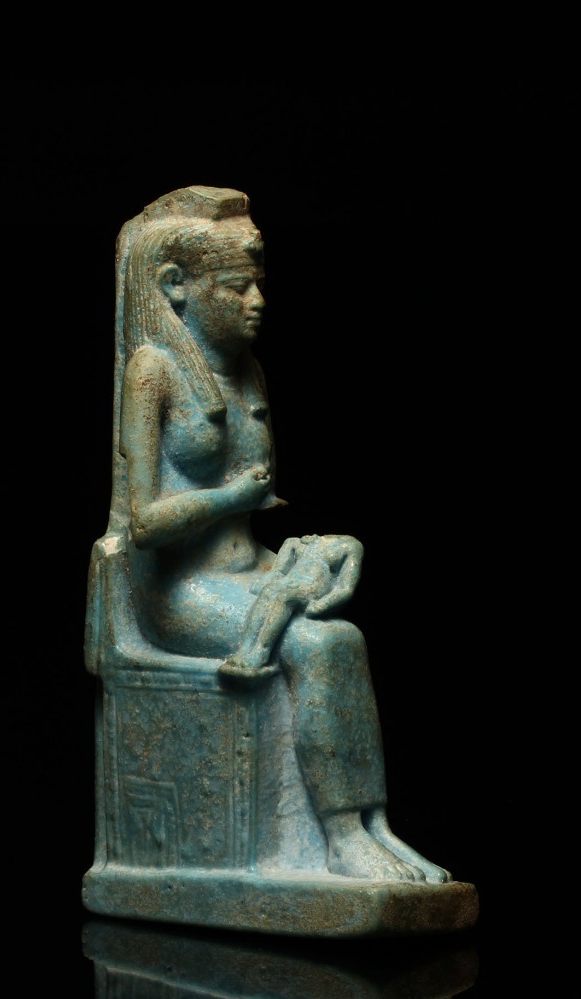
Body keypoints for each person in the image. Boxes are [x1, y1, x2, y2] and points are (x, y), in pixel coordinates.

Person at [112, 186, 448, 883]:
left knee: (344, 635)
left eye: (258, 283)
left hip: (248, 569)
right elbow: (144, 523)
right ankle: (341, 837)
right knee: (317, 644)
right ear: (175, 287)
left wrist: (319, 548)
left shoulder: (249, 372)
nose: (257, 301)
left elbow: (258, 511)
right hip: (179, 592)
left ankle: (372, 826)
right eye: (236, 288)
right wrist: (231, 497)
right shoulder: (154, 371)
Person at [219, 534, 364, 680]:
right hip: (289, 582)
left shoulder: (350, 545)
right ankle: (246, 647)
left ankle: (261, 650)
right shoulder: (297, 542)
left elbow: (345, 588)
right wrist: (264, 582)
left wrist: (323, 604)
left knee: (285, 598)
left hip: (312, 587)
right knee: (268, 592)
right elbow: (278, 571)